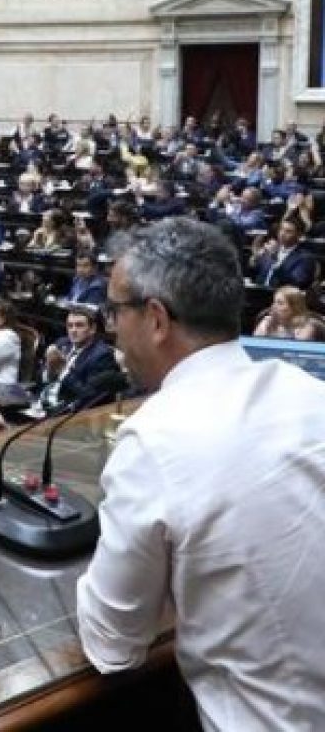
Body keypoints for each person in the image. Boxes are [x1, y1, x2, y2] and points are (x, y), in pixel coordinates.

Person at [77, 217, 325, 731]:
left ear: (156, 319)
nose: (111, 328)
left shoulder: (155, 439)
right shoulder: (309, 392)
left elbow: (112, 644)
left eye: (115, 310)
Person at [41, 306, 118, 404]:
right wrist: (49, 369)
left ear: (92, 328)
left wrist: (63, 371)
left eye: (79, 325)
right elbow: (42, 380)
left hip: (67, 407)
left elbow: (90, 396)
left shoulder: (102, 355)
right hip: (42, 400)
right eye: (70, 326)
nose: (73, 330)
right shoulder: (62, 343)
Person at [248, 214, 316, 289]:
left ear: (299, 235)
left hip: (280, 294)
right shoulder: (270, 250)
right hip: (258, 291)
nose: (282, 234)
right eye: (281, 229)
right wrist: (255, 258)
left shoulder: (305, 258)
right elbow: (254, 274)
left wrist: (276, 260)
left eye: (288, 231)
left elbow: (296, 282)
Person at [252, 285, 322, 340]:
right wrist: (266, 327)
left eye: (280, 303)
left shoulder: (307, 326)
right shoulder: (267, 321)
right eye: (274, 302)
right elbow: (254, 344)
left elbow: (297, 350)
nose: (273, 306)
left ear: (294, 308)